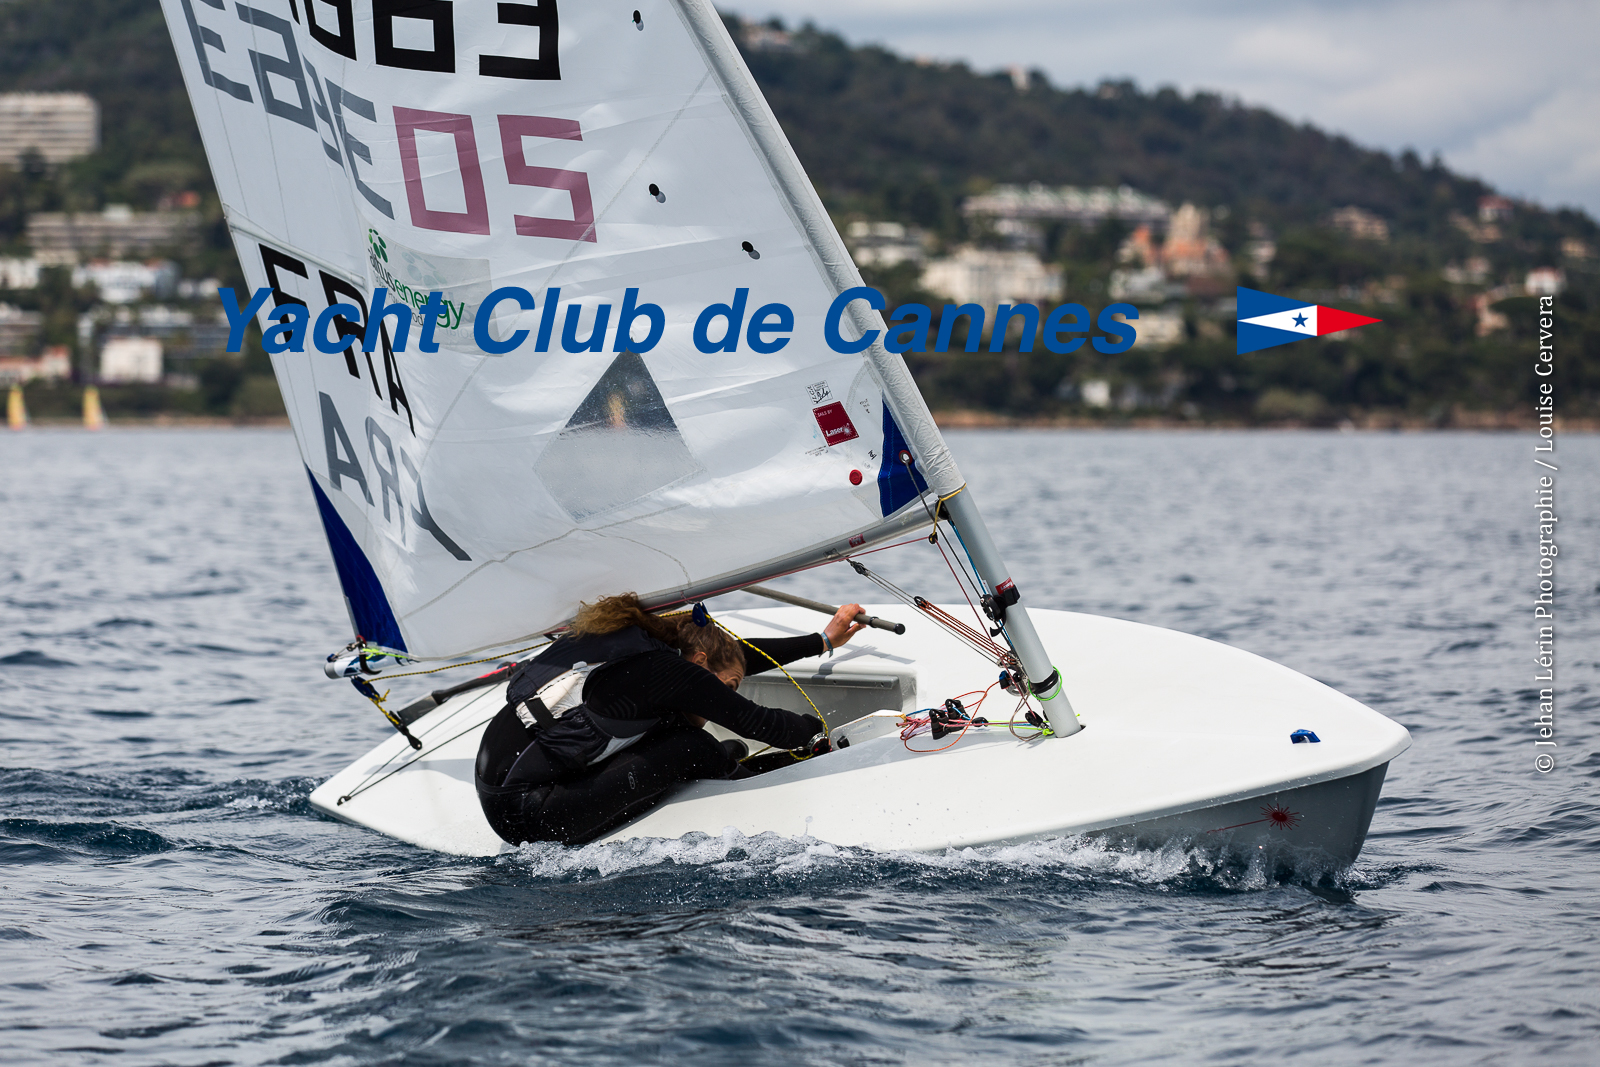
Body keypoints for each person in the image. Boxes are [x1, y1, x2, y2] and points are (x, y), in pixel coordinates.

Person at [475, 593, 868, 846]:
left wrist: (822, 641)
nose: (722, 698)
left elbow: (738, 657)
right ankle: (745, 778)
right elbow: (765, 726)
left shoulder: (645, 651)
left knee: (692, 736)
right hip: (526, 816)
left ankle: (728, 758)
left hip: (510, 786)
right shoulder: (671, 673)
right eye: (727, 687)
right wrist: (818, 732)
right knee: (693, 746)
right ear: (699, 661)